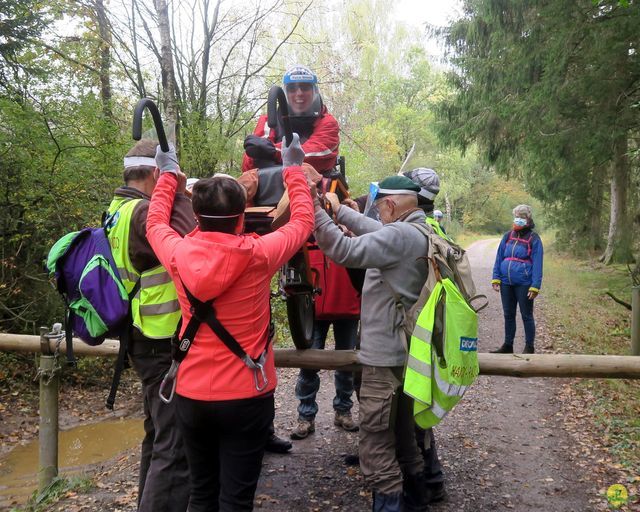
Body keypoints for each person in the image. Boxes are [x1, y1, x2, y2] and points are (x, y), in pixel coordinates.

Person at [146, 136, 314, 511]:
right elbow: (303, 220)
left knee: (202, 494)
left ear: (196, 212)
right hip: (245, 394)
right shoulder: (259, 254)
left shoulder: (176, 252)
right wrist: (293, 168)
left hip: (190, 394)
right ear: (242, 216)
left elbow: (155, 221)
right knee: (236, 501)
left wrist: (168, 175)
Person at [315, 175, 432, 512]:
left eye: (380, 208)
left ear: (391, 205)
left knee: (376, 447)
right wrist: (342, 213)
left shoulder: (399, 234)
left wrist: (313, 209)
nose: (378, 213)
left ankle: (391, 503)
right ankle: (417, 502)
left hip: (385, 360)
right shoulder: (419, 228)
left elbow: (342, 249)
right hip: (408, 355)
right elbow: (380, 233)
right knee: (404, 440)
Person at [107, 139, 194, 512]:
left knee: (157, 435)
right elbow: (191, 243)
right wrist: (182, 193)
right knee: (174, 447)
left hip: (142, 338)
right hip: (160, 339)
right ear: (158, 173)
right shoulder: (144, 214)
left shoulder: (118, 208)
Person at [290, 240, 361, 440]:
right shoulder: (303, 233)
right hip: (311, 307)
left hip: (347, 304)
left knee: (347, 363)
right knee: (308, 364)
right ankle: (305, 415)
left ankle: (343, 410)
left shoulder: (349, 229)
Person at [242, 64, 339, 175]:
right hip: (272, 182)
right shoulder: (268, 121)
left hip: (314, 184)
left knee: (307, 170)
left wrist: (274, 152)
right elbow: (250, 162)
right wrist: (257, 151)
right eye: (292, 89)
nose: (299, 93)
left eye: (305, 87)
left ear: (314, 92)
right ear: (285, 94)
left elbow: (320, 154)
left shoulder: (327, 122)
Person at [491, 204, 543, 354]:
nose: (519, 219)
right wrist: (496, 277)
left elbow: (538, 263)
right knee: (508, 314)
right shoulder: (508, 236)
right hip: (506, 282)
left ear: (528, 219)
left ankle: (529, 347)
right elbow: (499, 257)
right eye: (517, 216)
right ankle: (508, 345)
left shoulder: (534, 238)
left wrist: (535, 285)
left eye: (522, 217)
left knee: (526, 315)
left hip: (524, 283)